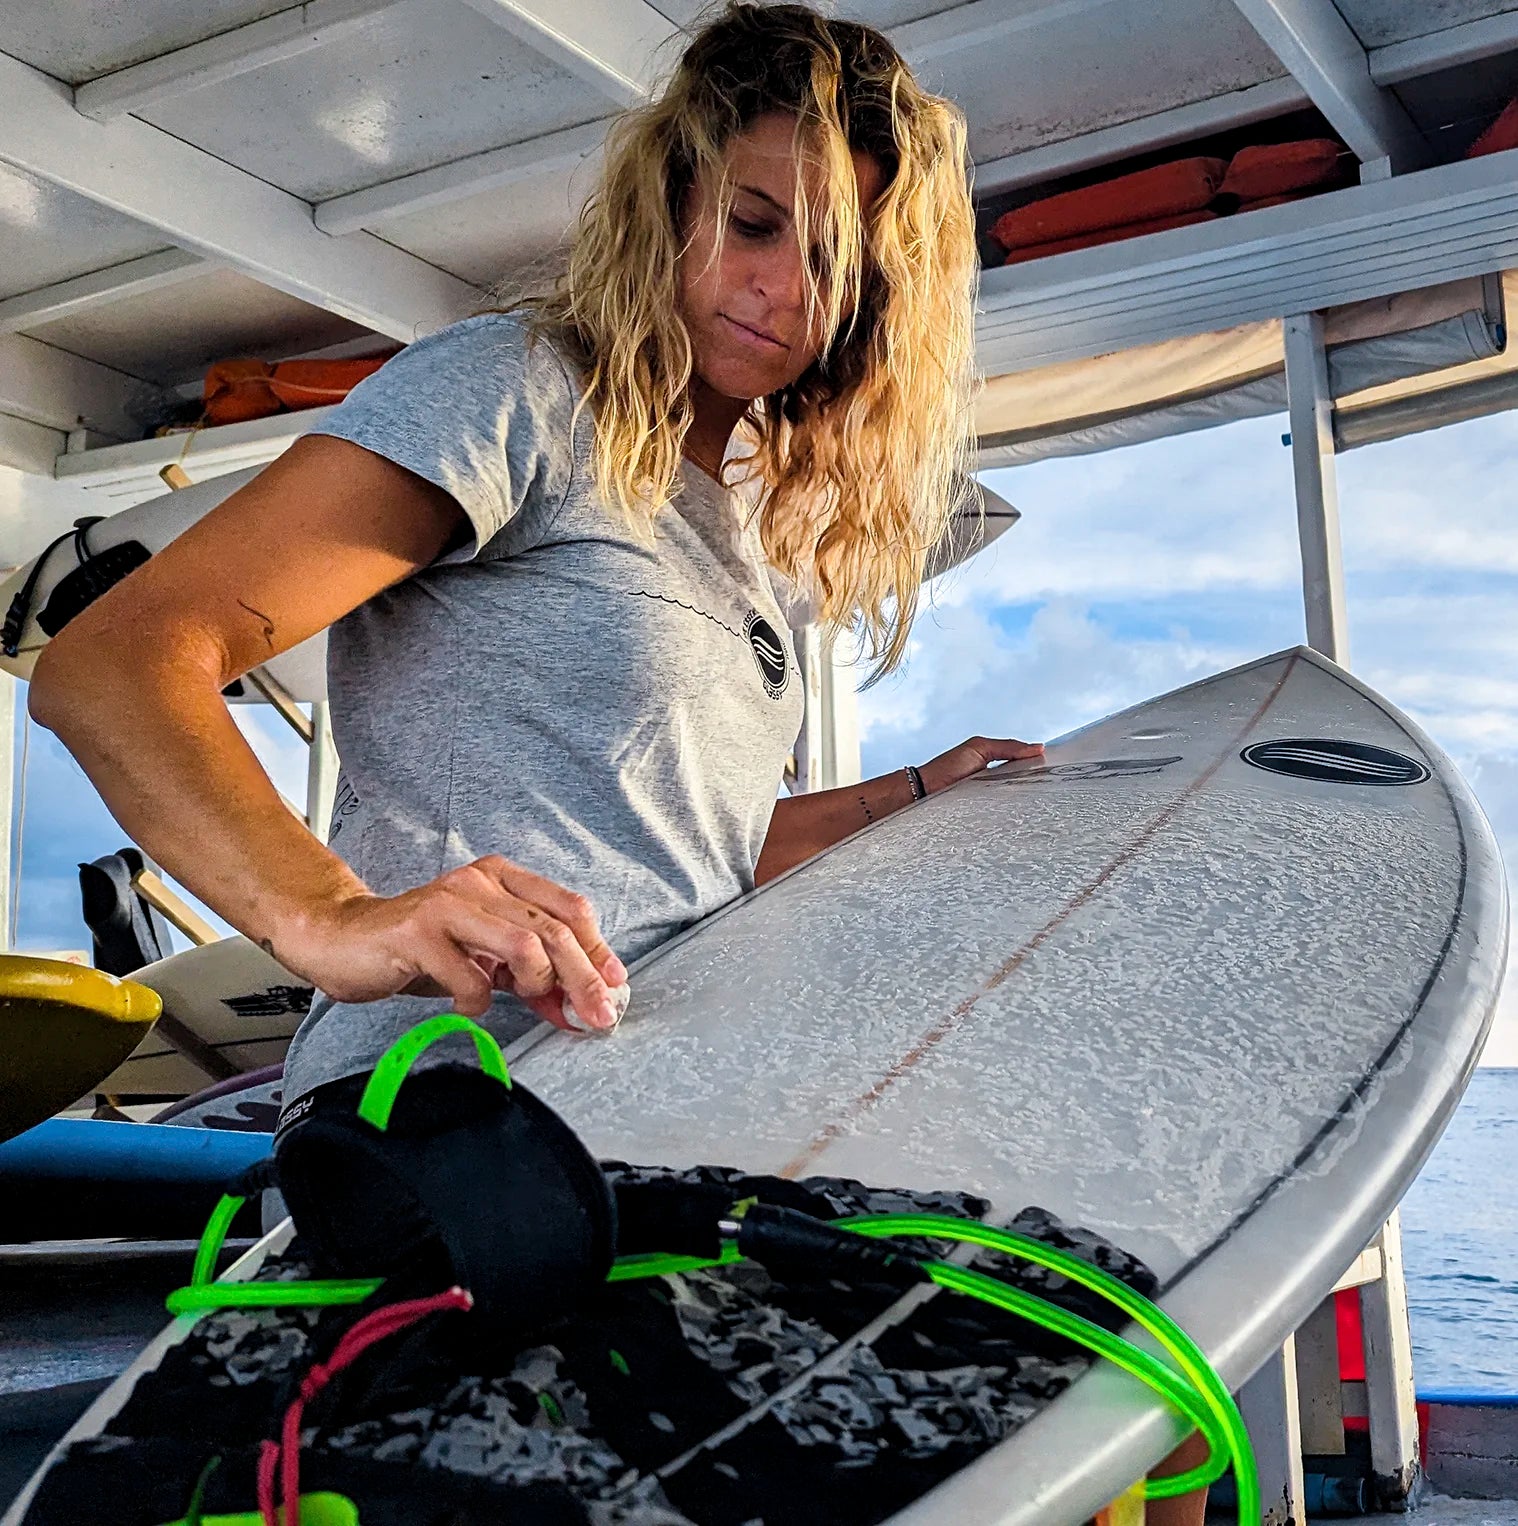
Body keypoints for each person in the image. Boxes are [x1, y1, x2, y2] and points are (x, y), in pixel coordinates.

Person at [29, 4, 1203, 1519]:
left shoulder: (749, 541)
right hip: (467, 1098)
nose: (778, 289)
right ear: (676, 196)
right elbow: (118, 665)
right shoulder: (516, 387)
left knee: (1143, 1383)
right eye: (755, 220)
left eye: (834, 263)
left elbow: (692, 845)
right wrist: (332, 914)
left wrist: (917, 797)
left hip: (683, 1086)